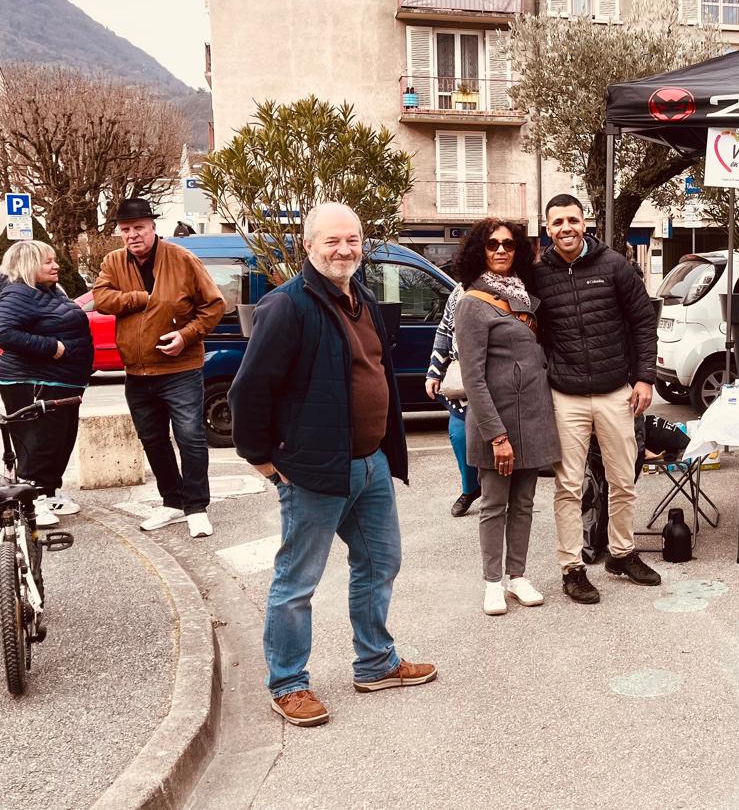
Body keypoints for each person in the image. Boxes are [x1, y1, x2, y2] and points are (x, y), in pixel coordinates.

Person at [230, 202, 433, 728]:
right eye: (332, 242)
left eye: (353, 240)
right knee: (297, 582)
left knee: (380, 563)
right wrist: (262, 461)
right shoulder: (288, 306)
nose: (344, 250)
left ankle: (375, 663)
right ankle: (289, 684)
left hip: (370, 465)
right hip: (316, 470)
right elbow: (249, 391)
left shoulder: (360, 296)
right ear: (308, 245)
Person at [533, 194, 661, 603]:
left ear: (584, 221)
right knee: (568, 486)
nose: (566, 228)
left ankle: (622, 553)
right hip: (565, 394)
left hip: (615, 391)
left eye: (572, 219)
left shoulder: (614, 266)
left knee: (623, 480)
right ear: (547, 228)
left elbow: (643, 322)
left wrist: (644, 378)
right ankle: (572, 569)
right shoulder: (537, 275)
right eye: (557, 222)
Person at [92, 197, 225, 538]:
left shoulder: (182, 258)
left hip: (180, 368)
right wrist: (137, 298)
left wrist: (185, 335)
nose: (132, 235)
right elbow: (102, 297)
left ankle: (196, 506)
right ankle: (173, 502)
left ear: (153, 227)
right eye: (126, 229)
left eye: (139, 227)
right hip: (137, 371)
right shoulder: (113, 261)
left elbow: (214, 305)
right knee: (153, 440)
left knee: (191, 438)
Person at [453, 218, 560, 616]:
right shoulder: (471, 303)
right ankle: (492, 583)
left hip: (532, 417)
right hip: (494, 420)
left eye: (509, 244)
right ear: (479, 250)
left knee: (525, 503)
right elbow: (473, 377)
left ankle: (518, 576)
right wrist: (496, 435)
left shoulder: (525, 298)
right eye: (492, 244)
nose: (501, 250)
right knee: (494, 504)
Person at [0, 241, 94, 527]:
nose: (55, 265)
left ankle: (47, 492)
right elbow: (4, 333)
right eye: (48, 262)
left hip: (57, 380)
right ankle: (31, 498)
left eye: (54, 260)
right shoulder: (18, 293)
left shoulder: (46, 291)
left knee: (59, 441)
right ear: (28, 266)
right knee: (39, 442)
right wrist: (53, 347)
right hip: (32, 380)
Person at [425, 290, 480, 517]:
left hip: (500, 378)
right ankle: (471, 488)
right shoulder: (459, 290)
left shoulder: (514, 285)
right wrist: (434, 372)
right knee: (459, 435)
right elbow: (444, 331)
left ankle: (500, 494)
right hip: (462, 378)